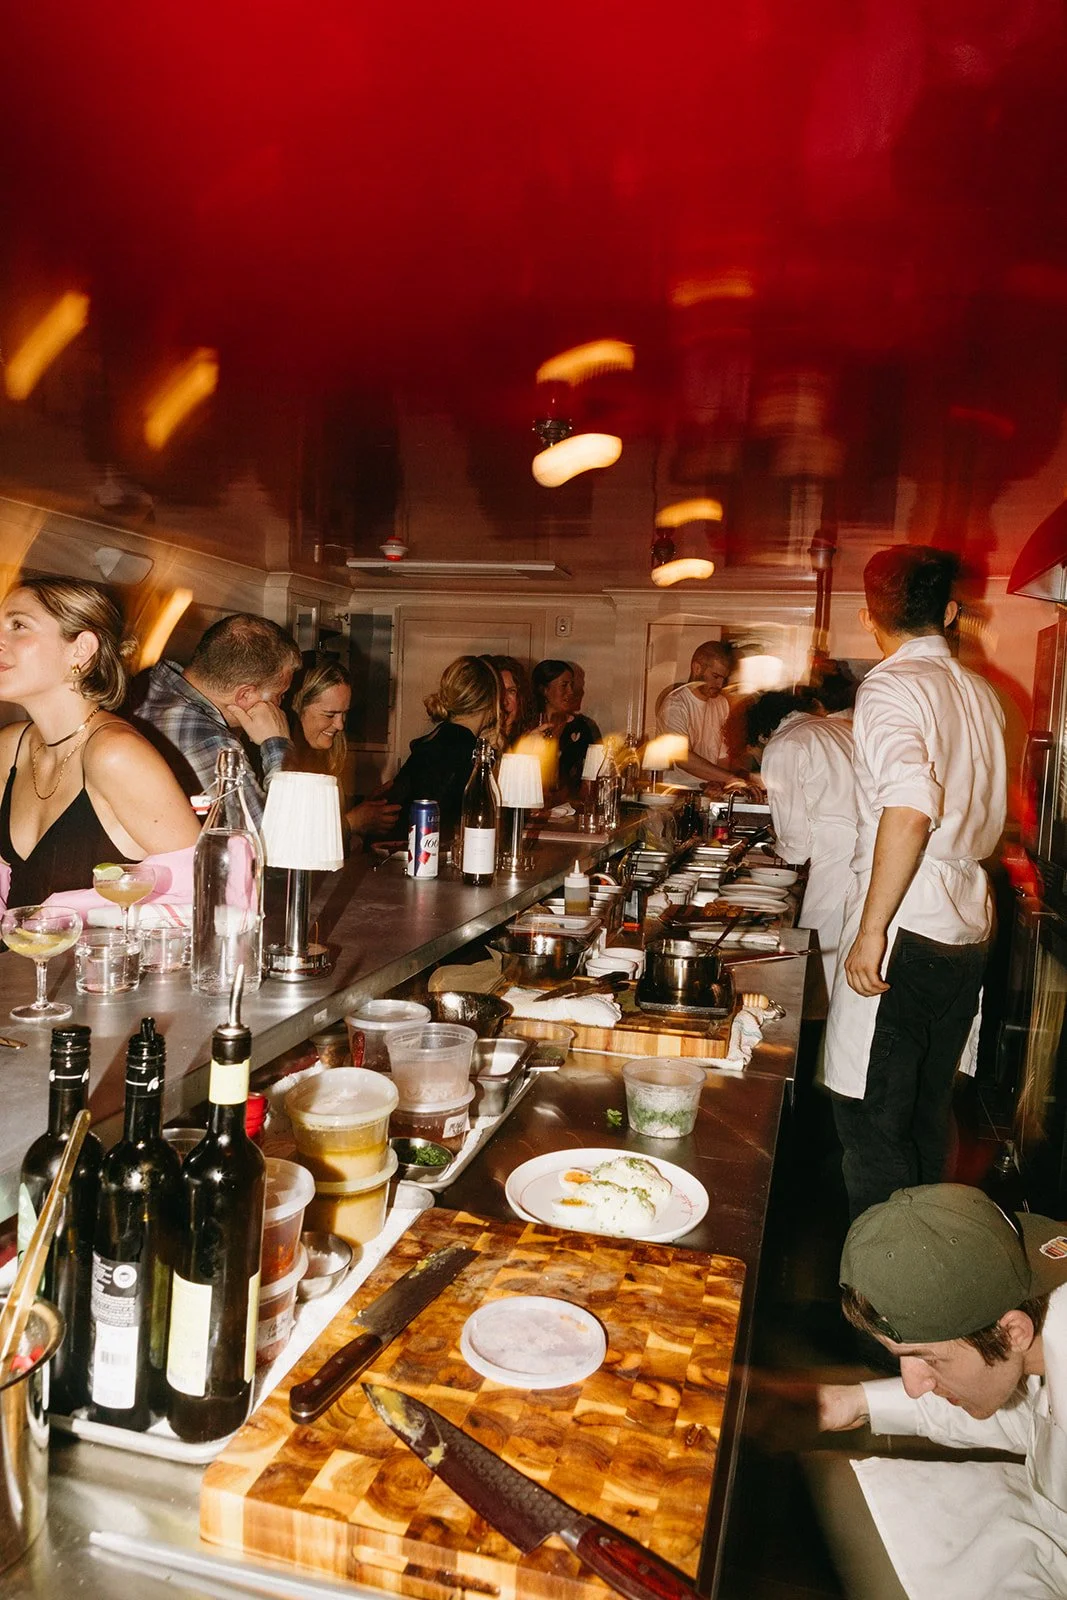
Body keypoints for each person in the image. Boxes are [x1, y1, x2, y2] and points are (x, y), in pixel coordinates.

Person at [825, 546, 1007, 1220]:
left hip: (910, 917)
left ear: (866, 615)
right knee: (928, 1109)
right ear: (951, 613)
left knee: (871, 1116)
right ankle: (931, 1275)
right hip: (965, 921)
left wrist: (871, 932)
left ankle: (883, 1299)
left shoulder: (889, 686)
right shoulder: (981, 694)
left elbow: (909, 805)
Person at [816, 1183, 1067, 1599]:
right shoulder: (1041, 1310)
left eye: (928, 1359)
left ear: (1012, 1332)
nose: (915, 1387)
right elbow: (1039, 1421)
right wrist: (855, 1402)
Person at [0, 577, 200, 906]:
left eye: (18, 625)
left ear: (81, 650)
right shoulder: (11, 747)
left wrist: (64, 915)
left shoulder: (115, 753)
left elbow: (200, 889)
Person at [133, 612, 301, 827]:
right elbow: (272, 842)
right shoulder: (211, 742)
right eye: (280, 695)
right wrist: (277, 744)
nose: (280, 706)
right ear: (245, 696)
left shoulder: (150, 683)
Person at [749, 681, 857, 999]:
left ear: (760, 734)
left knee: (818, 971)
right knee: (846, 970)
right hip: (866, 854)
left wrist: (771, 849)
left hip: (837, 862)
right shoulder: (838, 729)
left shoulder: (783, 744)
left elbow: (795, 843)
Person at [385, 655, 502, 839]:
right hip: (427, 853)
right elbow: (482, 818)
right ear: (491, 702)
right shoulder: (468, 751)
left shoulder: (435, 738)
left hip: (400, 847)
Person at [285, 657, 399, 846]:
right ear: (297, 708)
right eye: (330, 714)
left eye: (344, 713)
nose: (340, 724)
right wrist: (352, 822)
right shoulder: (276, 761)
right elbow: (292, 839)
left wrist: (365, 806)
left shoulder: (327, 754)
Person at [655, 641, 741, 789]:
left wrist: (718, 782)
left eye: (723, 679)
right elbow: (682, 758)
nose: (720, 684)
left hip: (708, 791)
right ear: (697, 668)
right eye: (715, 676)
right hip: (677, 792)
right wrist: (730, 778)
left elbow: (722, 756)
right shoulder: (675, 704)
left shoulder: (721, 703)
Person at [531, 659, 599, 797]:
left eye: (572, 685)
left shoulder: (584, 727)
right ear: (544, 690)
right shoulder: (528, 727)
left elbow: (592, 779)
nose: (571, 691)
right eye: (564, 685)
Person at [481, 654, 533, 746]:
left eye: (511, 691)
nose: (504, 702)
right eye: (498, 692)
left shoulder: (529, 739)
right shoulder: (473, 742)